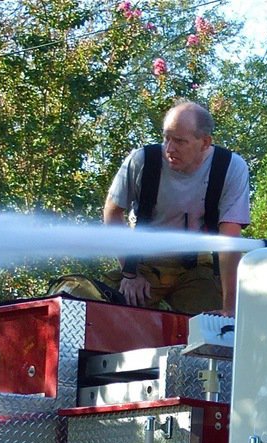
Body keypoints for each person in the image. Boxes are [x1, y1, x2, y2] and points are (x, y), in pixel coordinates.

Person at [104, 101, 250, 315]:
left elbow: (229, 241)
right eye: (166, 138)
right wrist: (130, 273)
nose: (169, 149)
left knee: (213, 327)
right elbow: (112, 211)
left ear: (205, 142)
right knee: (102, 308)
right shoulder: (142, 161)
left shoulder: (231, 167)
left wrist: (229, 310)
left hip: (198, 269)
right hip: (144, 264)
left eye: (180, 141)